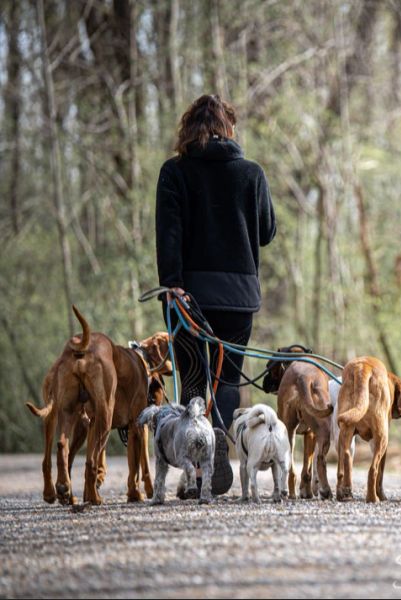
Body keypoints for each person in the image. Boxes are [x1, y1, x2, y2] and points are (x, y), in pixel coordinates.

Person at [155, 94, 277, 496]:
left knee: (191, 383)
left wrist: (171, 283)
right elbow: (266, 232)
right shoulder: (252, 173)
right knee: (226, 381)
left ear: (187, 129)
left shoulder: (174, 173)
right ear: (230, 128)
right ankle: (219, 450)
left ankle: (198, 474)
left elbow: (169, 234)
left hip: (189, 297)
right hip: (240, 296)